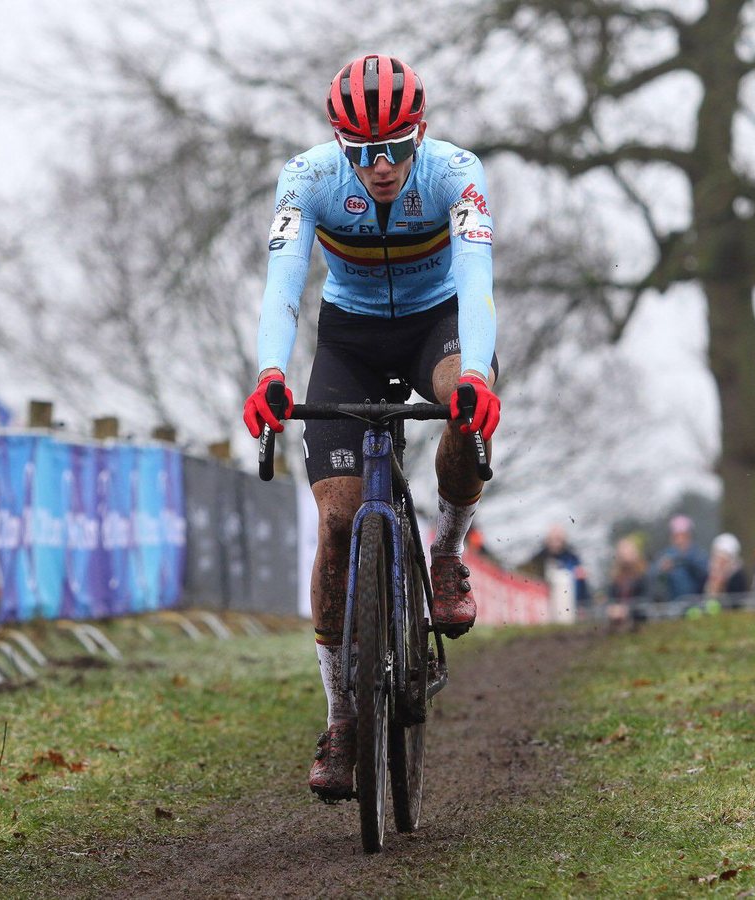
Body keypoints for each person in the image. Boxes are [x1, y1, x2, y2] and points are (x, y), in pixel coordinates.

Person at [241, 55, 500, 803]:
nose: (380, 168)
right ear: (338, 145)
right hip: (351, 340)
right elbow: (283, 286)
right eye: (362, 153)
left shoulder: (456, 172)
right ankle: (342, 717)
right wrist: (269, 373)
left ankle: (446, 553)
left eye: (395, 148)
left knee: (464, 410)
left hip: (438, 325)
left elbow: (477, 280)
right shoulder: (308, 178)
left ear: (420, 134)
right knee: (338, 519)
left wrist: (478, 377)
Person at [524, 524, 591, 606]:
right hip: (543, 604)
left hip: (570, 604)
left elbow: (581, 585)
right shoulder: (537, 560)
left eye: (558, 539)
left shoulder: (574, 559)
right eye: (552, 539)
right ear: (547, 540)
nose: (555, 543)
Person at [654, 515, 710, 600]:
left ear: (690, 535)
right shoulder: (665, 555)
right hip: (672, 606)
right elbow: (653, 577)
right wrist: (662, 570)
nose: (680, 540)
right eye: (676, 536)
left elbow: (705, 573)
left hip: (695, 605)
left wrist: (686, 559)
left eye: (684, 536)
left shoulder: (699, 555)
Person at [704, 533, 748, 598]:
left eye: (723, 560)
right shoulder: (707, 573)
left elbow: (735, 602)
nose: (718, 563)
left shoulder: (738, 578)